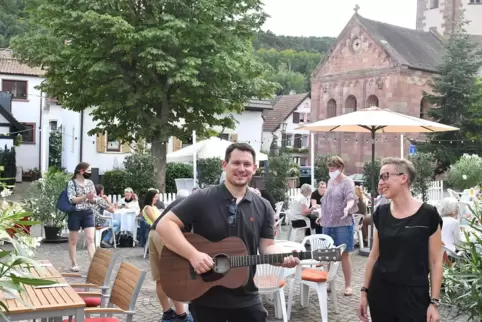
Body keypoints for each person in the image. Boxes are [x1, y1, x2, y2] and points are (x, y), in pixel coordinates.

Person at [157, 143, 299, 322]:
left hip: (247, 296)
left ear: (254, 168)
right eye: (236, 163)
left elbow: (267, 246)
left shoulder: (263, 206)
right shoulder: (203, 198)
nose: (242, 169)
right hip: (205, 296)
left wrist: (282, 257)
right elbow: (165, 225)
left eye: (247, 164)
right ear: (224, 165)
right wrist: (193, 255)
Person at [357, 157, 442, 322]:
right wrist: (363, 292)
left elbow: (435, 261)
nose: (381, 182)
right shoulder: (380, 213)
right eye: (380, 177)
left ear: (404, 178)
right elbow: (374, 257)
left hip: (414, 295)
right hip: (381, 293)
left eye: (385, 176)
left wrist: (434, 302)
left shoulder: (428, 214)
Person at [149, 190, 193, 322]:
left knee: (160, 278)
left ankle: (167, 313)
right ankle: (181, 316)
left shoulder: (186, 200)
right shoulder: (201, 204)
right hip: (166, 234)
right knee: (174, 277)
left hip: (153, 232)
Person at [320, 156, 358, 296]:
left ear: (340, 168)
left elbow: (351, 198)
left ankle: (348, 285)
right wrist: (322, 215)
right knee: (329, 254)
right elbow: (327, 201)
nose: (330, 171)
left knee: (344, 254)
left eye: (333, 168)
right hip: (328, 222)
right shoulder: (330, 181)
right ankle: (330, 282)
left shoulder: (347, 182)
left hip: (343, 222)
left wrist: (347, 208)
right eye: (329, 168)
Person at [67, 162, 96, 272]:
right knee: (73, 240)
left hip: (88, 212)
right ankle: (74, 263)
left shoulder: (90, 183)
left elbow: (94, 199)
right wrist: (85, 197)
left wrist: (92, 199)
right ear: (81, 171)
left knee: (90, 239)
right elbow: (72, 199)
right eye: (88, 170)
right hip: (75, 213)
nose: (90, 173)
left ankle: (93, 265)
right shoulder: (72, 183)